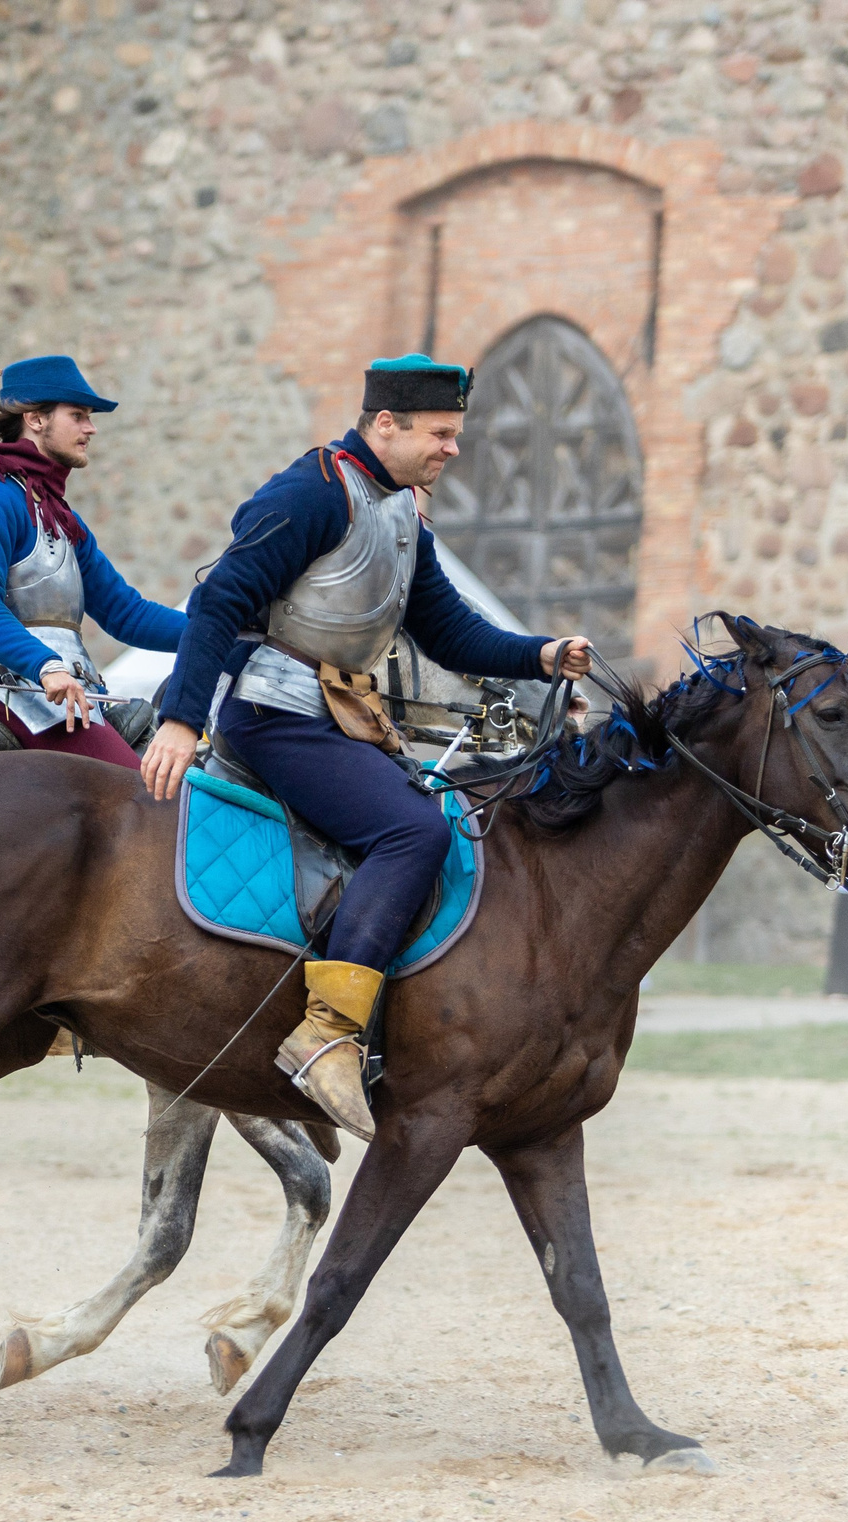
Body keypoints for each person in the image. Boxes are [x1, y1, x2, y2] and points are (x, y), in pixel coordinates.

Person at [140, 354, 594, 1137]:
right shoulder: (313, 490)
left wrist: (541, 655)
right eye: (441, 433)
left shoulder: (404, 510)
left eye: (457, 433)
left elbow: (449, 631)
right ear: (386, 424)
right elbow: (219, 600)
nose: (454, 448)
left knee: (440, 816)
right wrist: (182, 718)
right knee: (411, 829)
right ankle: (326, 1035)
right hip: (271, 714)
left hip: (336, 718)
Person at [0, 355, 187, 770]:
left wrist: (219, 632)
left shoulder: (59, 514)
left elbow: (127, 614)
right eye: (79, 416)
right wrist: (45, 666)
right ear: (36, 419)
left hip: (69, 693)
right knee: (146, 796)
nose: (91, 428)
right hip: (16, 691)